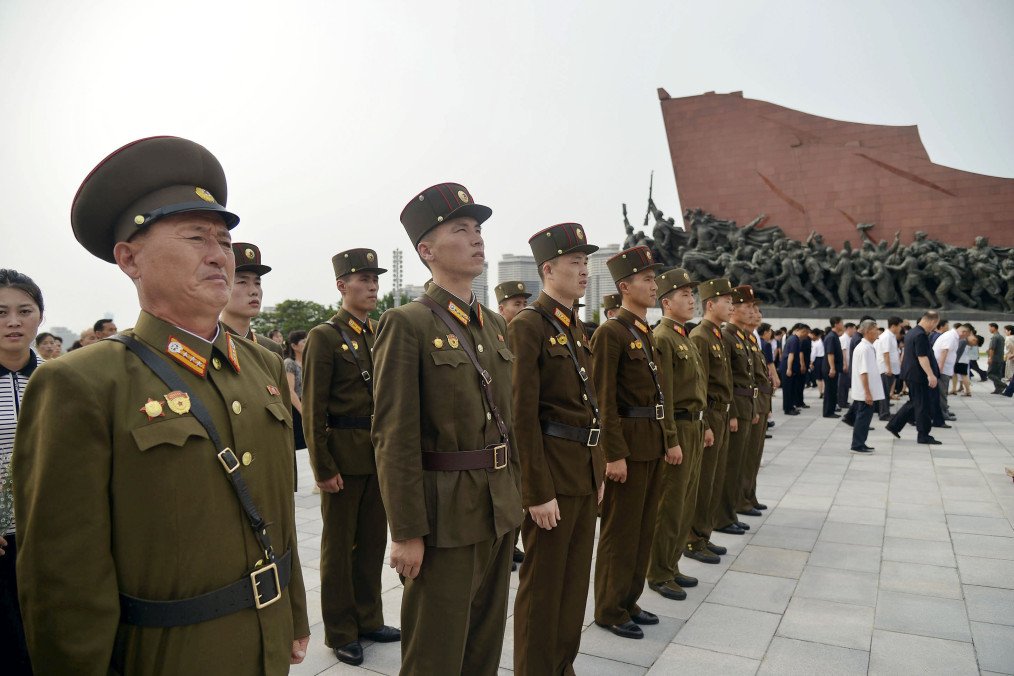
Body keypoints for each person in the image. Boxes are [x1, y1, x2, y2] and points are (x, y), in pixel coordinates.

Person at [12, 136, 309, 673]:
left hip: (266, 643)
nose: (219, 253)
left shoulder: (260, 365)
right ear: (129, 258)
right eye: (196, 236)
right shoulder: (82, 382)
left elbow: (277, 509)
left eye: (223, 239)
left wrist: (296, 614)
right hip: (168, 656)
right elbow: (63, 574)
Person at [372, 183, 521, 674]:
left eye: (479, 229)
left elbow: (508, 420)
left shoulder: (495, 326)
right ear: (427, 251)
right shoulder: (407, 323)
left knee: (484, 642)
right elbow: (394, 436)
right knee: (436, 649)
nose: (477, 238)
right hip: (445, 515)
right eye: (461, 229)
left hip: (497, 505)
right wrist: (407, 531)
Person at [510, 223, 602, 672]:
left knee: (573, 585)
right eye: (575, 262)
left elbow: (591, 407)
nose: (584, 270)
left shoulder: (575, 327)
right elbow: (521, 417)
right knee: (543, 587)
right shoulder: (528, 326)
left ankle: (562, 665)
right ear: (548, 269)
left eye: (586, 262)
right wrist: (535, 491)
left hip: (582, 471)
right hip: (552, 476)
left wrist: (597, 471)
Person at [301, 248, 399, 667]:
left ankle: (369, 618)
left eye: (375, 278)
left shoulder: (376, 332)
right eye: (363, 279)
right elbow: (313, 406)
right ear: (342, 286)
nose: (372, 285)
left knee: (373, 543)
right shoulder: (325, 335)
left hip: (378, 457)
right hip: (343, 456)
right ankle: (341, 631)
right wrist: (323, 467)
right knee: (339, 549)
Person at [591, 245, 666, 639]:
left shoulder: (643, 332)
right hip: (628, 449)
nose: (655, 286)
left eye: (654, 278)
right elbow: (604, 400)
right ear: (625, 286)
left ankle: (628, 598)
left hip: (650, 443)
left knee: (643, 528)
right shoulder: (610, 333)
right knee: (620, 532)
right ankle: (608, 607)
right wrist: (613, 454)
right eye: (648, 279)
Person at [646, 268, 707, 603]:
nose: (691, 300)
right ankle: (658, 571)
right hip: (679, 426)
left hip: (695, 425)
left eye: (692, 294)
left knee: (687, 501)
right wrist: (670, 438)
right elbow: (664, 395)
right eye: (684, 295)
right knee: (670, 504)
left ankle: (672, 563)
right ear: (666, 302)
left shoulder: (684, 335)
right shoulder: (663, 338)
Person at [0, 269, 45, 675]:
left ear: (39, 318)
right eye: (0, 312)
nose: (13, 321)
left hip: (51, 539)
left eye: (24, 310)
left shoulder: (62, 378)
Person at [685, 278, 735, 565]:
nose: (731, 306)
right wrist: (704, 423)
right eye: (726, 301)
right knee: (704, 480)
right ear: (711, 304)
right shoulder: (701, 336)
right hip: (710, 413)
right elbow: (699, 385)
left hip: (722, 412)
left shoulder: (717, 335)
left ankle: (704, 533)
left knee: (715, 478)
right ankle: (693, 539)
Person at [494, 279, 533, 569]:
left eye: (524, 303)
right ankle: (500, 550)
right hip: (504, 426)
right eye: (516, 303)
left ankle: (511, 544)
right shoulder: (495, 336)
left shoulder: (525, 335)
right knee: (507, 494)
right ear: (501, 307)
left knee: (520, 492)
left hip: (523, 424)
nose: (522, 308)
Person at [715, 287, 757, 536]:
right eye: (747, 306)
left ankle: (731, 511)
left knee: (741, 462)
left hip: (745, 404)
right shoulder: (727, 336)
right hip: (733, 407)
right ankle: (722, 516)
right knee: (730, 466)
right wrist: (730, 413)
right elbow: (726, 379)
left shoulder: (740, 337)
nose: (752, 312)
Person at [886, 311, 942, 445]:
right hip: (919, 376)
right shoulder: (920, 335)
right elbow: (922, 357)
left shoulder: (912, 332)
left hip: (911, 374)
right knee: (923, 405)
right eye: (935, 325)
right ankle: (923, 435)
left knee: (915, 402)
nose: (934, 328)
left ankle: (894, 425)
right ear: (932, 322)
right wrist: (931, 375)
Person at [221, 242, 284, 357]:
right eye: (242, 282)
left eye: (257, 283)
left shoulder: (271, 349)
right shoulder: (208, 343)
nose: (254, 291)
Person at [740, 287, 772, 513]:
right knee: (741, 459)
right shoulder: (732, 338)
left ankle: (748, 496)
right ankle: (738, 502)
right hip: (742, 405)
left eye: (756, 308)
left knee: (753, 456)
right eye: (750, 307)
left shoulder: (750, 338)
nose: (755, 313)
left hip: (757, 401)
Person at [849, 319, 884, 454]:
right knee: (863, 419)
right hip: (865, 392)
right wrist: (867, 393)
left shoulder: (867, 347)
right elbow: (864, 372)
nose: (878, 332)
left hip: (866, 391)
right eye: (876, 329)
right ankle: (857, 445)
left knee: (864, 418)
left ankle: (860, 442)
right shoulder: (864, 348)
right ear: (869, 331)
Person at [284, 329, 307, 488]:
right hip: (297, 408)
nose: (307, 344)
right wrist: (303, 411)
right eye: (303, 341)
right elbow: (290, 391)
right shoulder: (289, 363)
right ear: (294, 345)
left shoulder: (308, 361)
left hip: (308, 403)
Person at [932, 322, 964, 421]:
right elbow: (944, 351)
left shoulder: (952, 336)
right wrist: (940, 368)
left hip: (945, 369)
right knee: (942, 393)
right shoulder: (950, 337)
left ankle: (944, 411)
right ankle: (942, 414)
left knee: (943, 392)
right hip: (942, 369)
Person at [875, 317, 902, 420]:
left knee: (886, 392)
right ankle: (883, 414)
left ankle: (884, 412)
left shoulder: (891, 336)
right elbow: (885, 353)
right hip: (886, 369)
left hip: (891, 368)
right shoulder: (886, 336)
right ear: (894, 326)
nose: (900, 329)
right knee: (884, 392)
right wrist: (888, 368)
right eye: (899, 326)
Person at [822, 317, 844, 418]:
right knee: (830, 391)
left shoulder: (834, 336)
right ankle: (828, 412)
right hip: (830, 369)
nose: (843, 325)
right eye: (841, 323)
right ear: (836, 324)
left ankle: (831, 410)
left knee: (832, 390)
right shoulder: (831, 337)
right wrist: (832, 368)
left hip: (833, 368)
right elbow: (830, 353)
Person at [987, 323, 1006, 393]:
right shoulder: (1001, 337)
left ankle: (1002, 385)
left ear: (994, 328)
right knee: (997, 375)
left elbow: (992, 349)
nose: (989, 329)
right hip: (1000, 358)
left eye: (989, 328)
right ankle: (998, 389)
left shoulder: (995, 337)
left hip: (995, 359)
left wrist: (990, 358)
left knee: (989, 374)